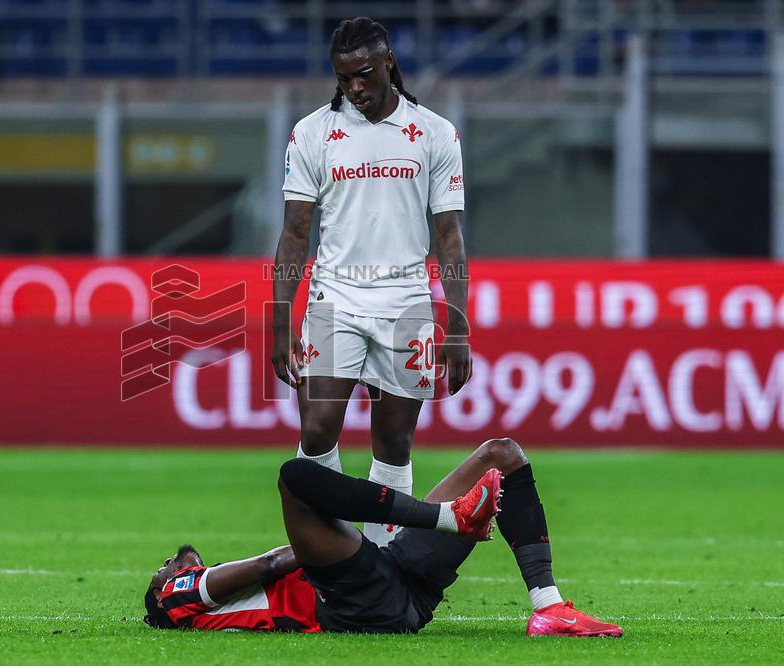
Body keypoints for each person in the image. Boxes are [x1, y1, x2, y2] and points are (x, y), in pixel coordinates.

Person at [271, 16, 471, 546]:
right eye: (343, 79)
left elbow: (449, 237)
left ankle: (383, 564)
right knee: (317, 429)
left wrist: (457, 327)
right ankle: (332, 556)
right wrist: (280, 320)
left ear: (389, 63)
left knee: (394, 444)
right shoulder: (313, 133)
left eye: (363, 74)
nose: (354, 88)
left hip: (407, 303)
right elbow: (295, 233)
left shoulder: (434, 133)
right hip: (335, 296)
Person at [143, 438, 623, 637]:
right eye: (161, 568)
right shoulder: (174, 598)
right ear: (163, 588)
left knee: (501, 454)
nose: (168, 562)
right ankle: (447, 518)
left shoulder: (211, 598)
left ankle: (548, 607)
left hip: (391, 586)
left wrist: (325, 536)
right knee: (295, 476)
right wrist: (317, 535)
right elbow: (272, 564)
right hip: (358, 602)